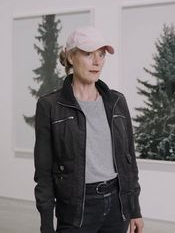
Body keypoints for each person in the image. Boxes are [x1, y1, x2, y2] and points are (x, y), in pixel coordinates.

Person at [34, 26, 144, 233]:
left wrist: (134, 209)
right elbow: (43, 173)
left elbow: (129, 162)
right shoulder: (49, 106)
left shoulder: (117, 101)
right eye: (88, 53)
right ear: (70, 57)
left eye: (101, 55)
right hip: (77, 208)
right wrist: (47, 225)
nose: (97, 61)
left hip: (117, 206)